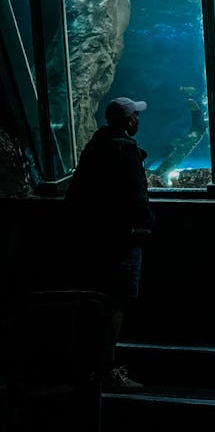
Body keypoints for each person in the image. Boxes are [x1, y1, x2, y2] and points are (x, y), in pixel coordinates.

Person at [64, 96, 155, 392]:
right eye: (136, 116)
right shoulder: (124, 150)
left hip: (89, 240)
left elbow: (75, 195)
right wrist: (145, 225)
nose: (139, 120)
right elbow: (136, 195)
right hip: (121, 240)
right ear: (129, 121)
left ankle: (83, 367)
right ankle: (106, 368)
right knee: (116, 304)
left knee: (92, 303)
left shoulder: (94, 146)